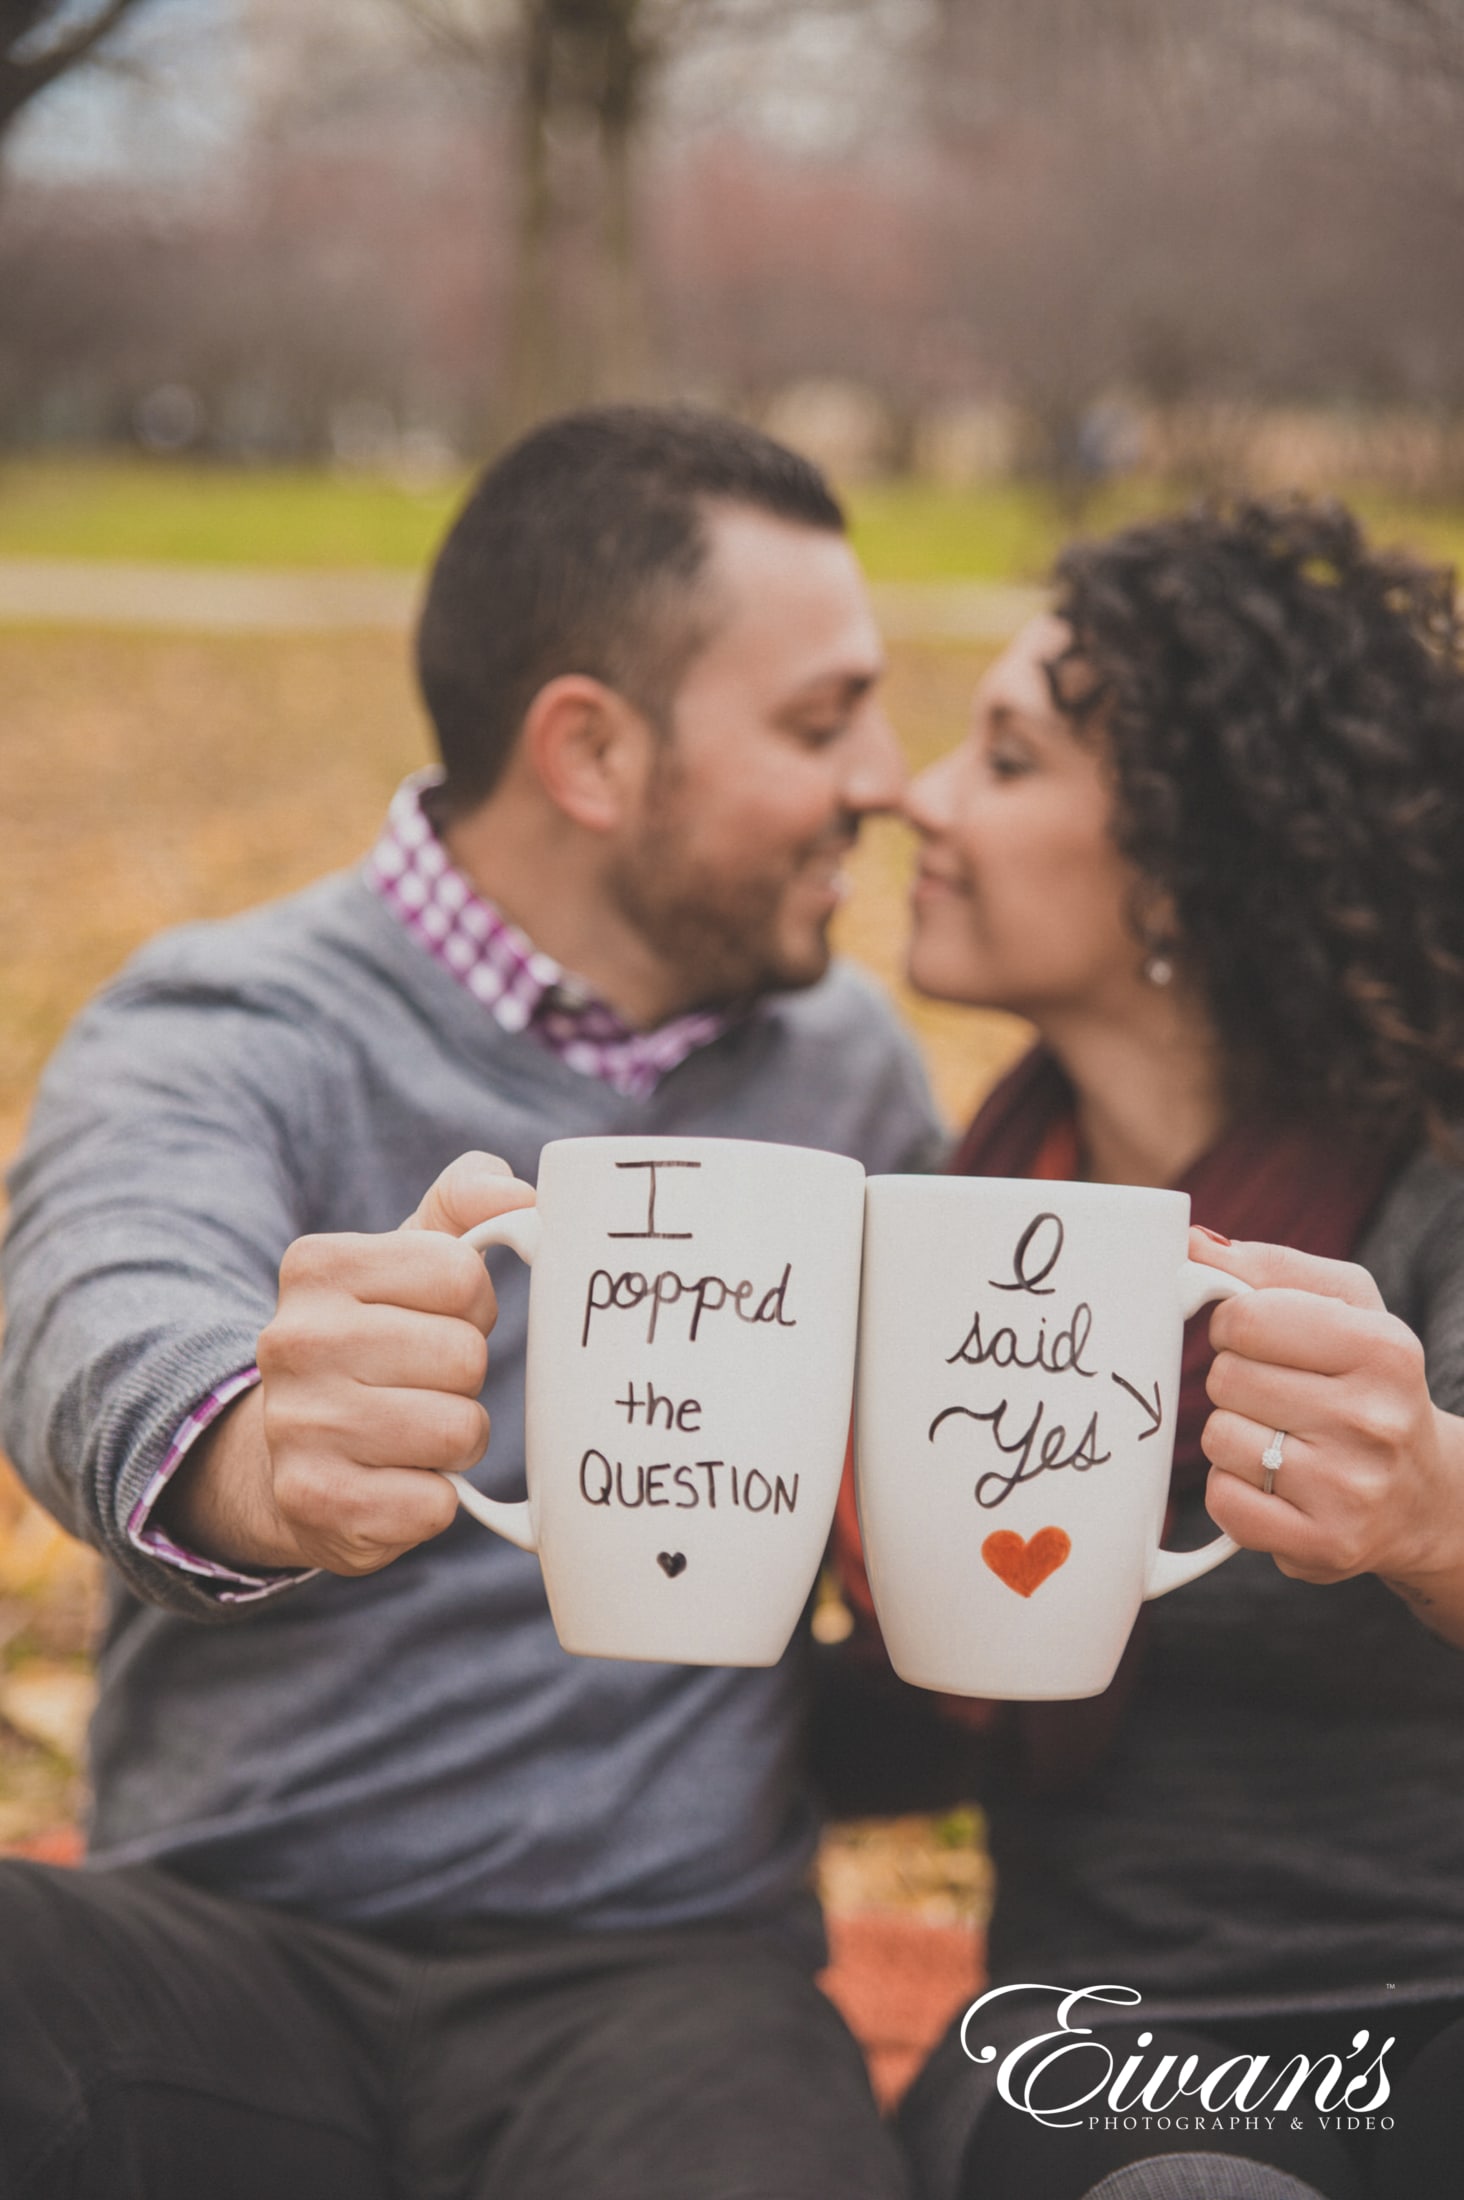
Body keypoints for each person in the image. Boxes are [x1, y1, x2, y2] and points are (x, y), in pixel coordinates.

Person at [0, 405, 942, 2200]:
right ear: (589, 750)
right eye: (823, 722)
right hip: (220, 1955)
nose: (884, 777)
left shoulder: (850, 1077)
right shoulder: (230, 1023)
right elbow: (93, 1298)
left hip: (665, 1993)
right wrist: (250, 1446)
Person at [831, 498, 1464, 2200]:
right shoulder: (978, 1204)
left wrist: (1435, 1518)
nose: (920, 798)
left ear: (1188, 864)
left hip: (1410, 2054)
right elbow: (910, 1741)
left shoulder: (1434, 1200)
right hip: (1074, 2058)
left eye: (1010, 759)